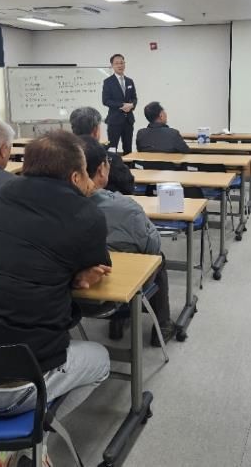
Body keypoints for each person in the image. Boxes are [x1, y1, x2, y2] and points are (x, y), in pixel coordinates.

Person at [0, 131, 111, 465]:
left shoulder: (0, 196)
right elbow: (98, 266)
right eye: (85, 173)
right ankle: (29, 438)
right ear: (76, 177)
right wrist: (77, 275)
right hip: (12, 389)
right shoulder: (85, 213)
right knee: (101, 359)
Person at [79, 135, 175, 346]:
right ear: (102, 169)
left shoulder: (50, 208)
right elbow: (152, 247)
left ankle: (119, 322)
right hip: (117, 290)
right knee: (158, 259)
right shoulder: (126, 208)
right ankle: (162, 324)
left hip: (70, 295)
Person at [69, 106, 134, 194]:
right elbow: (128, 187)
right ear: (96, 131)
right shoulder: (110, 159)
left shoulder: (64, 157)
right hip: (109, 201)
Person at [101, 54, 137, 154]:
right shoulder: (108, 82)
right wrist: (122, 105)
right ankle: (113, 165)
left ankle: (129, 164)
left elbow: (134, 98)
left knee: (128, 149)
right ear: (112, 65)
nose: (120, 65)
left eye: (122, 63)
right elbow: (106, 100)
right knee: (112, 149)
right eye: (117, 63)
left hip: (128, 120)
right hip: (114, 121)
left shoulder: (130, 81)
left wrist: (132, 105)